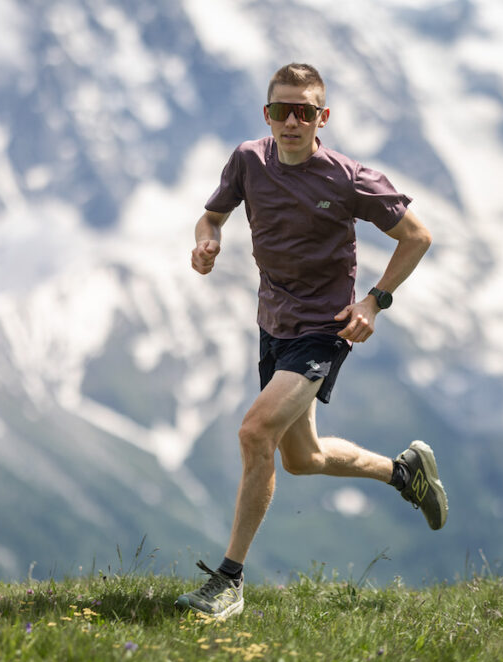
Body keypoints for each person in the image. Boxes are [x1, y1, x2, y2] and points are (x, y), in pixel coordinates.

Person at [175, 63, 448, 619]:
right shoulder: (248, 160)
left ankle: (228, 582)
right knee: (303, 458)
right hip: (272, 325)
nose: (293, 121)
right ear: (268, 115)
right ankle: (404, 472)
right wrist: (206, 245)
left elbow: (418, 236)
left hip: (325, 330)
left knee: (255, 433)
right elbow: (211, 218)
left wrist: (375, 300)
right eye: (282, 110)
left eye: (305, 111)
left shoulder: (348, 178)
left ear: (323, 118)